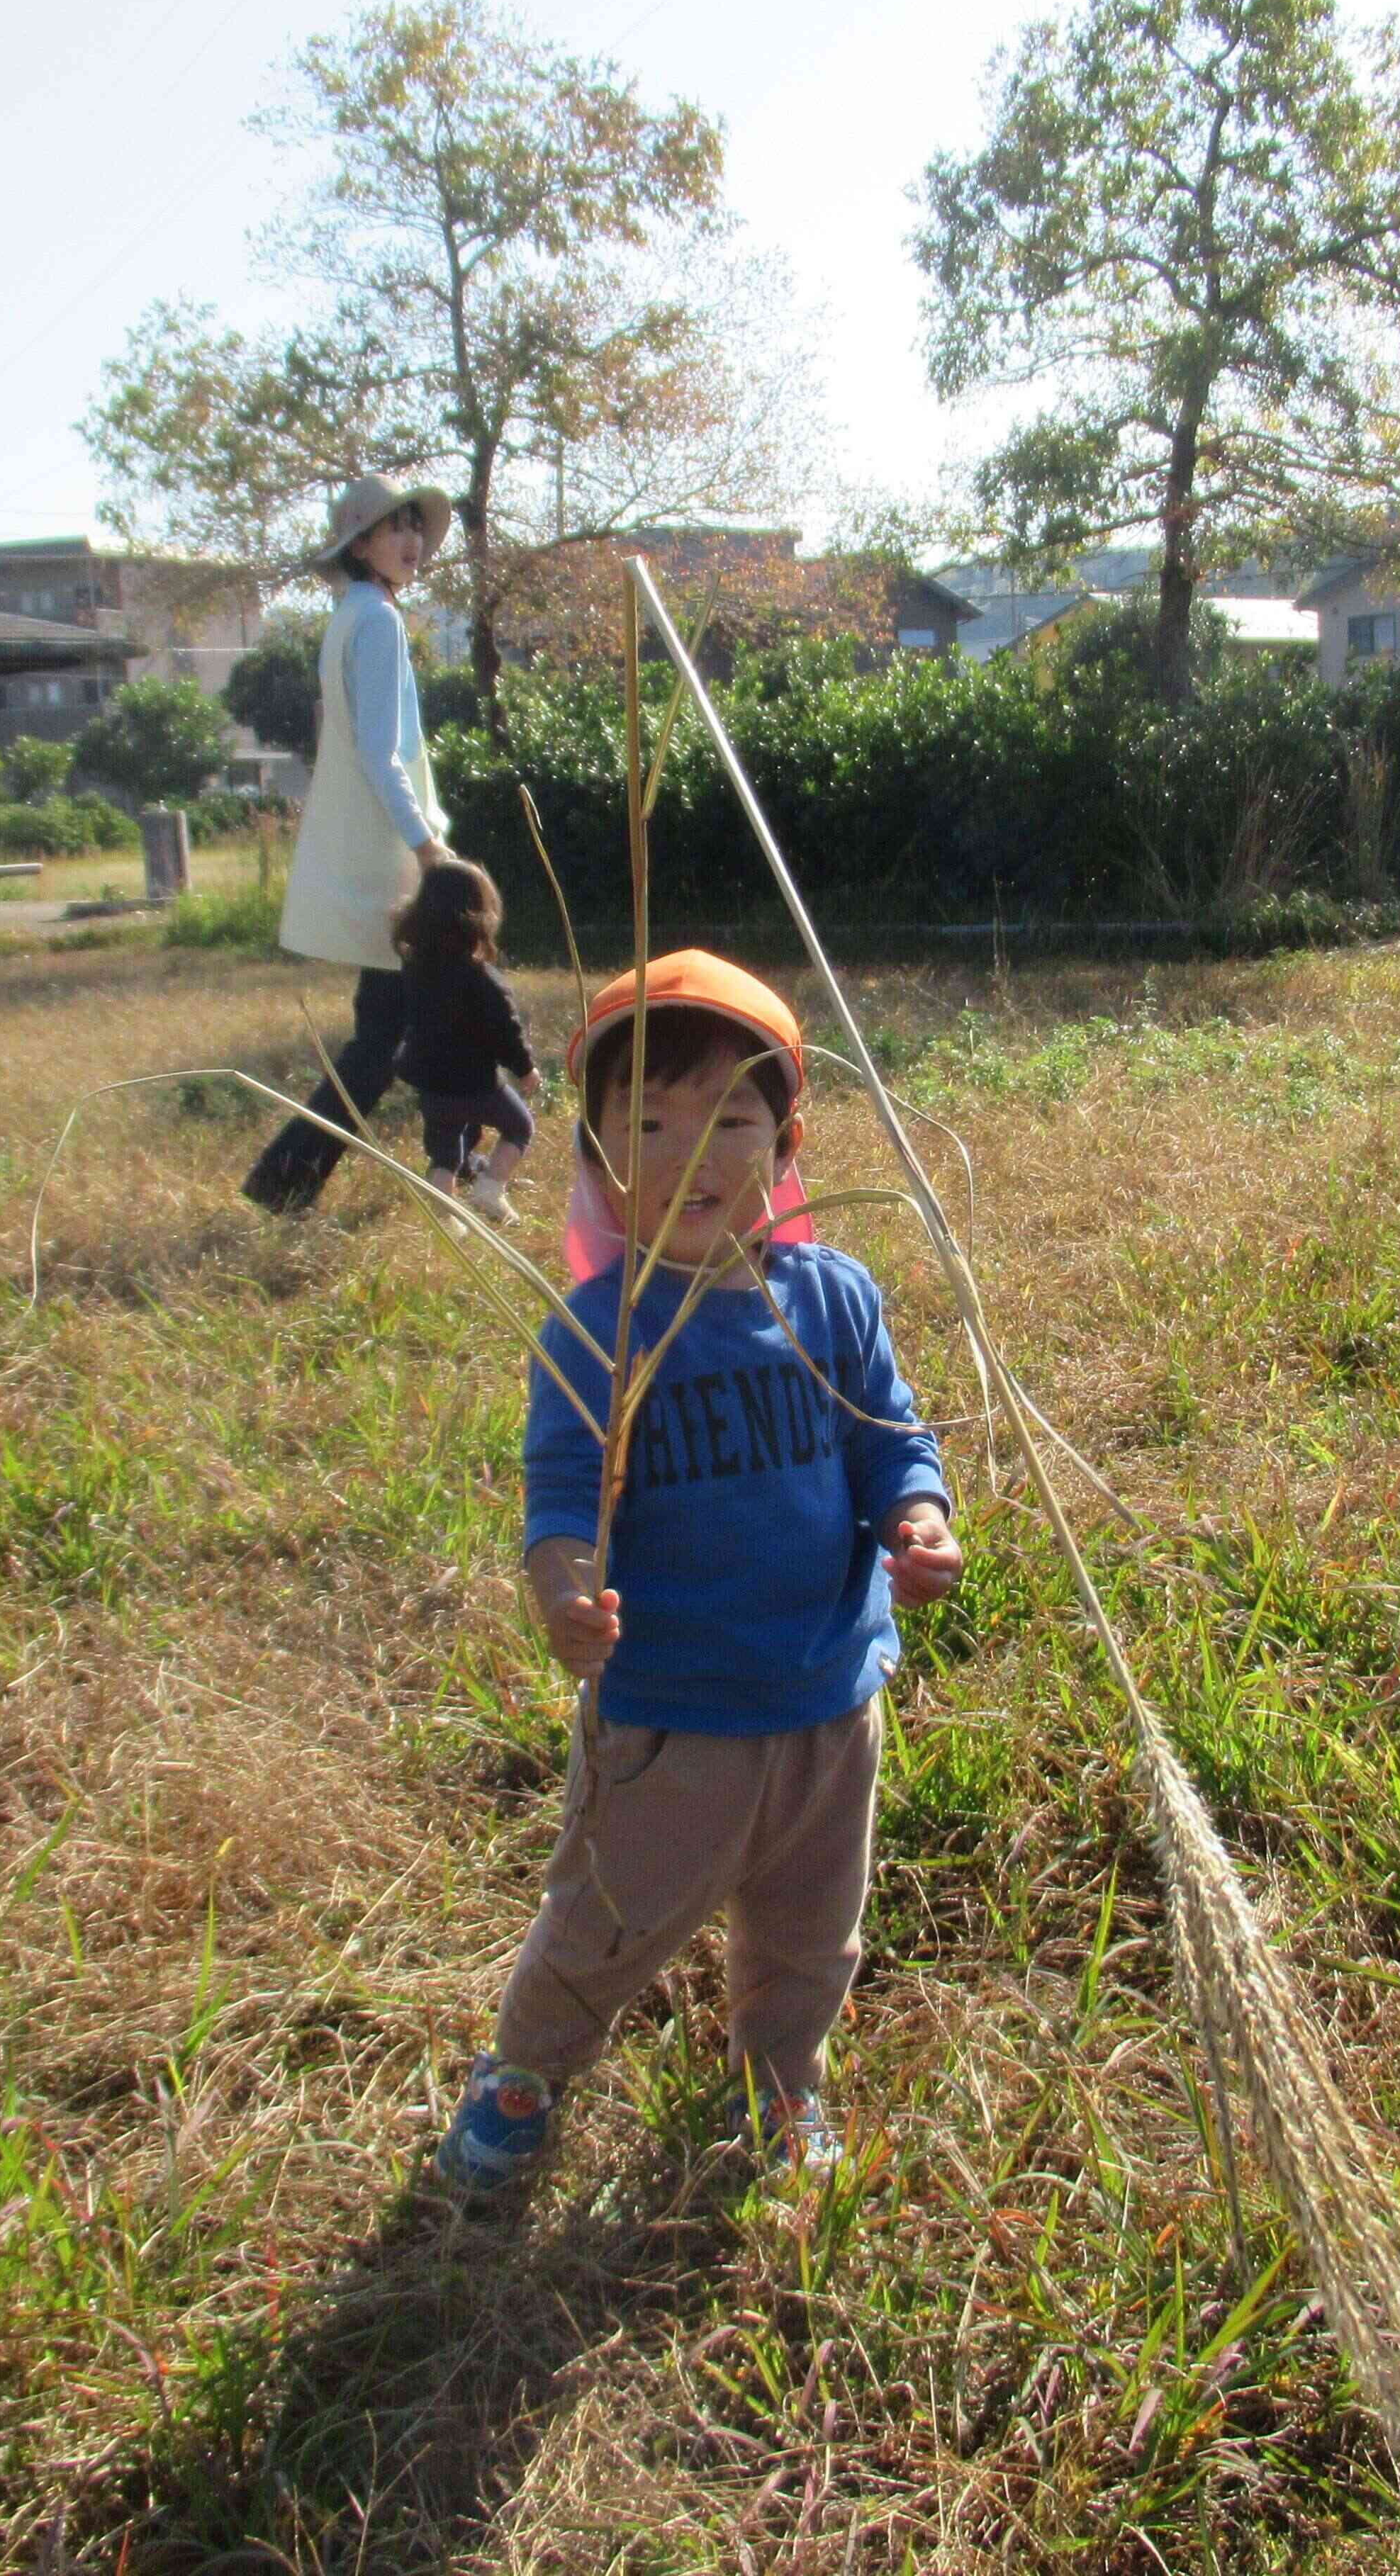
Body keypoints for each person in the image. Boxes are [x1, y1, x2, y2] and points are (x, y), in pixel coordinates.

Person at [439, 952, 962, 2190]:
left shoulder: (830, 1297)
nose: (691, 1151)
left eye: (728, 1117)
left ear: (786, 1137)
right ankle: (525, 2070)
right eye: (649, 1121)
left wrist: (920, 1519)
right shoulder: (595, 1329)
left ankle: (782, 2082)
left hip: (831, 1699)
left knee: (808, 1932)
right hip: (670, 1718)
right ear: (597, 1149)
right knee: (605, 1921)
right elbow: (561, 1495)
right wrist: (563, 1588)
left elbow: (890, 1436)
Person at [241, 475, 462, 1213]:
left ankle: (291, 1181)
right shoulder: (377, 623)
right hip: (392, 862)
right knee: (401, 1040)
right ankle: (452, 1170)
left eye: (415, 527)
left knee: (391, 1037)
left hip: (382, 857)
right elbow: (380, 752)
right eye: (393, 529)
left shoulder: (352, 615)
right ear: (359, 545)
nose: (412, 542)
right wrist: (428, 846)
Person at [391, 855, 537, 1222]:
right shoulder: (482, 979)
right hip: (477, 1085)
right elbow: (506, 1030)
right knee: (520, 1127)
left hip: (433, 1086)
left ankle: (445, 1220)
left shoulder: (413, 969)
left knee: (445, 1154)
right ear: (479, 915)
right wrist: (525, 1070)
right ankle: (491, 1188)